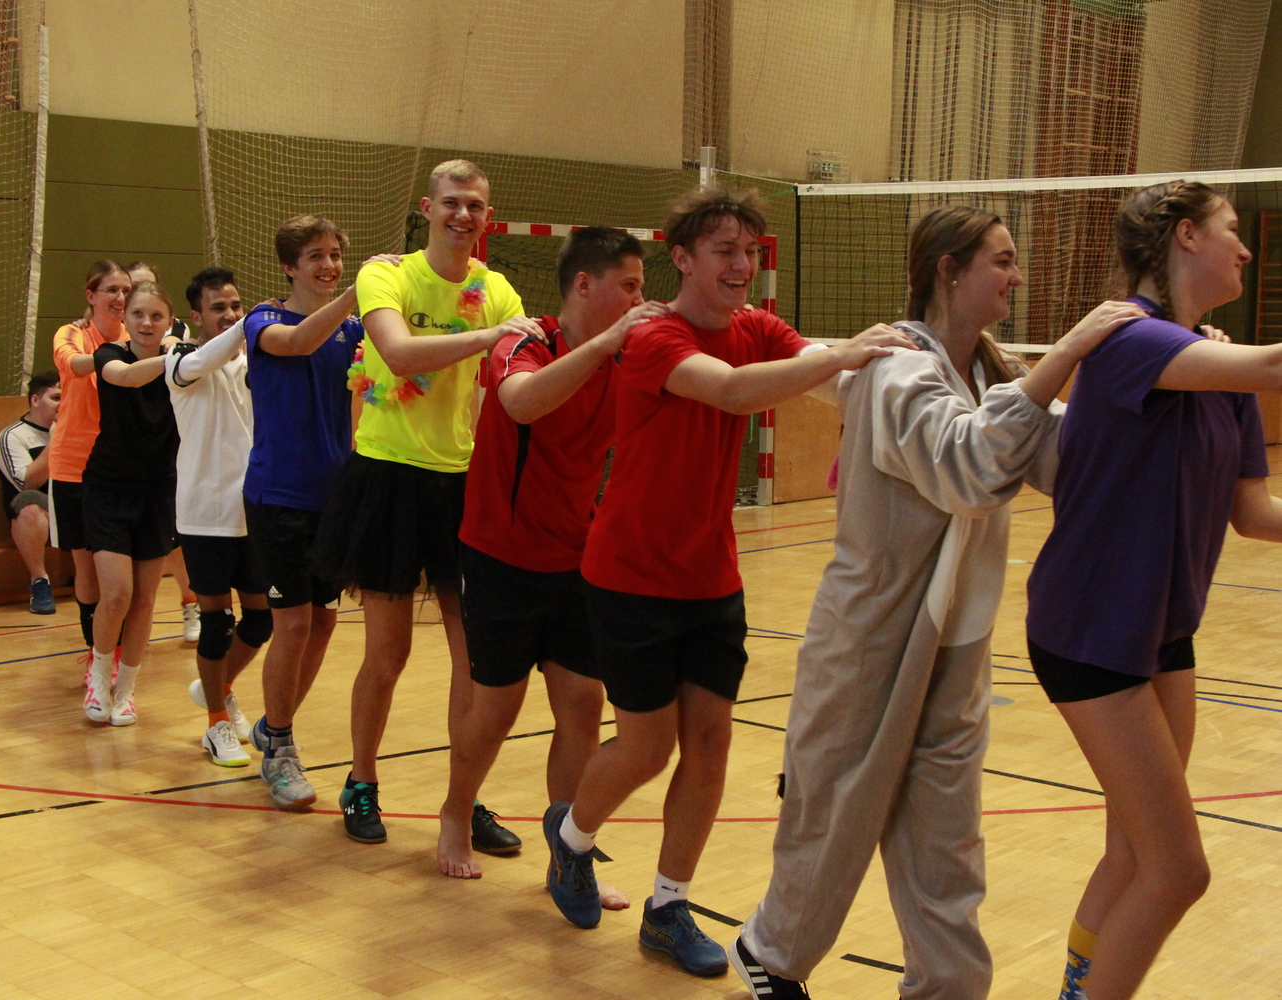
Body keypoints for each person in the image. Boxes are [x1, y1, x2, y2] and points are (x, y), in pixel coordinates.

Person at [726, 207, 1147, 1000]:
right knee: (835, 823)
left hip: (956, 643)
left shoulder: (992, 374)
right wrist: (1066, 353)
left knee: (946, 846)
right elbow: (970, 467)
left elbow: (1064, 458)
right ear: (949, 271)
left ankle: (948, 987)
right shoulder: (897, 369)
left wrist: (1161, 383)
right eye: (1002, 261)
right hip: (867, 640)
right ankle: (770, 952)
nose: (1017, 277)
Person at [539, 187, 915, 977]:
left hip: (710, 575)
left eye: (750, 251)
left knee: (710, 741)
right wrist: (846, 354)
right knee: (648, 749)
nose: (742, 265)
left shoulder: (757, 329)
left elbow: (822, 375)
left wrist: (902, 378)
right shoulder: (654, 338)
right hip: (630, 575)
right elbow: (735, 389)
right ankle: (571, 838)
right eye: (724, 251)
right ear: (682, 259)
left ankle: (668, 907)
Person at [1024, 180, 1282, 1000]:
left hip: (1162, 630)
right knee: (1178, 870)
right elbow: (1277, 364)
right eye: (1231, 229)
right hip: (1091, 628)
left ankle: (1078, 986)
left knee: (1135, 853)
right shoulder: (1127, 337)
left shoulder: (1218, 367)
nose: (1246, 248)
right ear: (1185, 236)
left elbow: (1255, 515)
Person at [310, 159, 543, 846]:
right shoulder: (387, 276)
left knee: (474, 660)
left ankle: (462, 800)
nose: (463, 215)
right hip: (388, 477)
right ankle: (361, 780)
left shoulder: (495, 289)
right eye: (452, 203)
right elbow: (399, 354)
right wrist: (492, 336)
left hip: (462, 483)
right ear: (427, 207)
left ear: (487, 216)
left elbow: (518, 373)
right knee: (388, 655)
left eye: (475, 206)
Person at [436, 227, 668, 891]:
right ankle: (456, 812)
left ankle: (567, 853)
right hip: (499, 555)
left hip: (576, 558)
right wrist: (606, 345)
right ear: (584, 285)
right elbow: (521, 402)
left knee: (583, 704)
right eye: (629, 286)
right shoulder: (525, 340)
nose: (640, 301)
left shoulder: (628, 359)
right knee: (496, 711)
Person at [241, 216, 400, 808]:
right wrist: (361, 289)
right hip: (278, 496)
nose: (328, 265)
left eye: (335, 254)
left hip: (333, 499)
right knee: (292, 624)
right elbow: (299, 343)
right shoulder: (265, 320)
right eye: (315, 256)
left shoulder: (356, 331)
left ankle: (272, 725)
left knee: (324, 622)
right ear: (289, 266)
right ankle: (280, 750)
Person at [164, 266, 268, 765]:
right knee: (216, 623)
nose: (229, 314)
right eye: (218, 307)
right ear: (196, 315)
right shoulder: (180, 359)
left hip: (251, 510)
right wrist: (251, 323)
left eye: (236, 306)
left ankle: (218, 687)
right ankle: (215, 723)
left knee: (261, 621)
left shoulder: (255, 361)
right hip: (204, 514)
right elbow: (207, 358)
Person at [80, 282, 182, 726]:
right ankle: (98, 676)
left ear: (169, 321)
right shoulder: (110, 355)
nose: (146, 323)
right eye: (138, 314)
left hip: (158, 491)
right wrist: (177, 358)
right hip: (109, 488)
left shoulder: (183, 361)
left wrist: (185, 356)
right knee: (117, 593)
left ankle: (125, 690)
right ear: (125, 318)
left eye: (156, 316)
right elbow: (126, 377)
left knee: (145, 599)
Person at [48, 260, 129, 665]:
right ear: (91, 296)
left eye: (126, 290)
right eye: (112, 290)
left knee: (120, 569)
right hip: (73, 465)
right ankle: (95, 651)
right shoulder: (73, 334)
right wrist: (112, 359)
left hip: (120, 468)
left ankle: (118, 646)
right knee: (87, 565)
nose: (120, 298)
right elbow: (74, 364)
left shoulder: (138, 334)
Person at [126, 259, 201, 642]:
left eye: (148, 285)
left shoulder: (175, 334)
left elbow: (180, 350)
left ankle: (191, 603)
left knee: (177, 541)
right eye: (131, 287)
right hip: (128, 456)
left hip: (170, 450)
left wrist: (174, 348)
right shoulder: (115, 343)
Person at [0, 370, 63, 615]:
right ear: (35, 400)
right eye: (56, 398)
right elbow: (28, 484)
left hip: (73, 506)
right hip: (41, 512)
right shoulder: (13, 436)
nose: (63, 405)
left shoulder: (81, 430)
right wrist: (56, 442)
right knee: (28, 505)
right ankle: (39, 581)